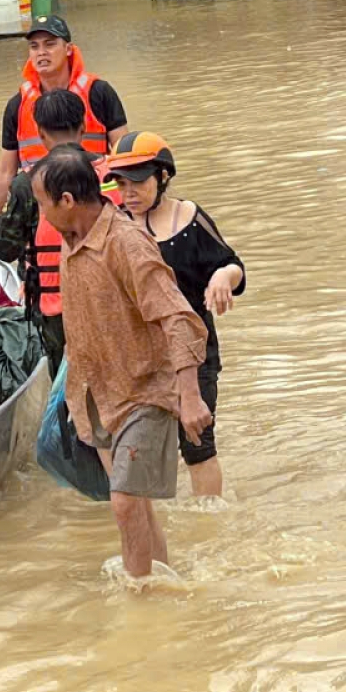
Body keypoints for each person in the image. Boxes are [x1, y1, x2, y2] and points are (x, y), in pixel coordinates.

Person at [32, 145, 211, 580]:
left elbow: (178, 317)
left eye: (41, 203)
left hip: (143, 391)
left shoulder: (127, 243)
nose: (39, 213)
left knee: (125, 502)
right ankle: (160, 577)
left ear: (67, 201)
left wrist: (190, 397)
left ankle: (138, 596)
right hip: (96, 391)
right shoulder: (71, 241)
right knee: (136, 505)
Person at [105, 133, 244, 498]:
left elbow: (233, 265)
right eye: (121, 183)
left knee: (198, 445)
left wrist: (220, 278)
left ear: (162, 177)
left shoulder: (189, 218)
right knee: (137, 450)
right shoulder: (115, 229)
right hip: (140, 359)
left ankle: (207, 525)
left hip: (195, 352)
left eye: (138, 181)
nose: (128, 192)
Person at [0, 14, 129, 258]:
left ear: (68, 49)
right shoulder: (18, 105)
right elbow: (4, 172)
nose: (41, 53)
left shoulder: (99, 93)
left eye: (49, 44)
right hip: (37, 213)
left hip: (93, 211)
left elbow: (125, 157)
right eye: (34, 46)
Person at [0, 89, 121, 370]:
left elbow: (3, 247)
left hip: (56, 311)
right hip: (115, 299)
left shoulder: (29, 184)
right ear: (84, 127)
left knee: (70, 387)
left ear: (39, 133)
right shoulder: (114, 173)